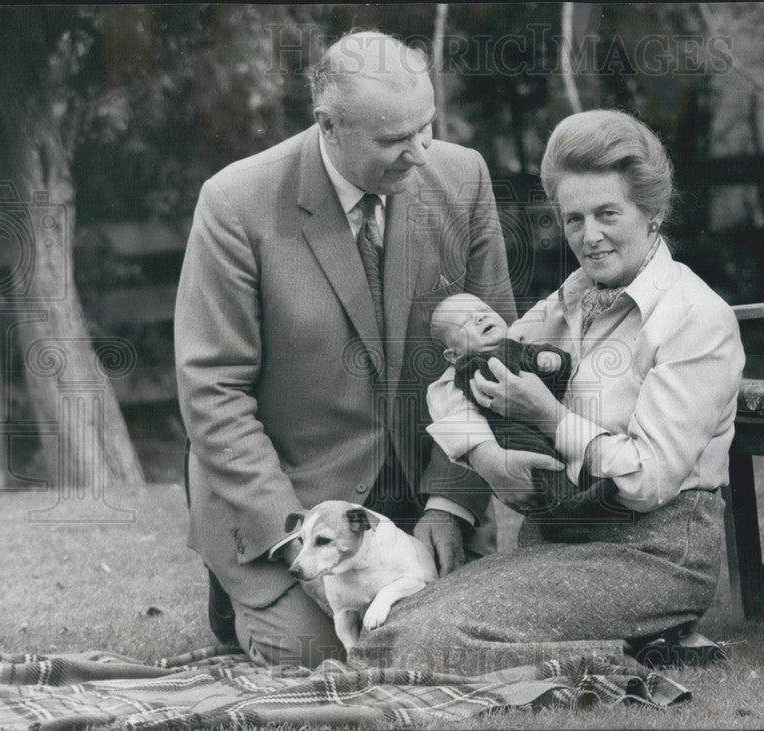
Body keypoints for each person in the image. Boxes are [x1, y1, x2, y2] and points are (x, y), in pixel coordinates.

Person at [174, 30, 525, 668]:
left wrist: (449, 504)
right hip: (296, 506)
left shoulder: (463, 177)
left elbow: (496, 363)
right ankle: (243, 586)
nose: (419, 153)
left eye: (426, 127)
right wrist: (298, 543)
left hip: (422, 499)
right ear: (328, 126)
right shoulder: (234, 205)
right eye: (393, 140)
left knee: (451, 646)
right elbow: (212, 394)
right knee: (327, 657)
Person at [355, 109, 745, 675]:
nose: (590, 237)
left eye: (608, 213)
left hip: (654, 551)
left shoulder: (695, 318)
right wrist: (487, 455)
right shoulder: (570, 300)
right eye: (574, 219)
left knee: (431, 641)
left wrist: (549, 415)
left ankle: (621, 659)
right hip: (554, 541)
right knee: (396, 623)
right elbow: (451, 384)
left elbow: (648, 480)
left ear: (653, 212)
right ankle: (645, 646)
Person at [429, 293, 620, 539]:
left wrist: (550, 360)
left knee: (563, 462)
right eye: (465, 322)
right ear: (453, 356)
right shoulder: (467, 369)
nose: (479, 318)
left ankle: (579, 502)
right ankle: (566, 517)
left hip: (543, 427)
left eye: (484, 309)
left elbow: (548, 371)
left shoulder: (514, 345)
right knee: (542, 473)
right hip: (513, 438)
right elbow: (450, 400)